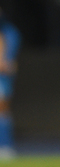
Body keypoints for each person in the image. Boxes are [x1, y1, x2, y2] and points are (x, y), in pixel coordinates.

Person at [0, 8, 21, 159]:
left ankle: (5, 145)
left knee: (2, 110)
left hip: (2, 78)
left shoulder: (10, 32)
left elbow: (7, 65)